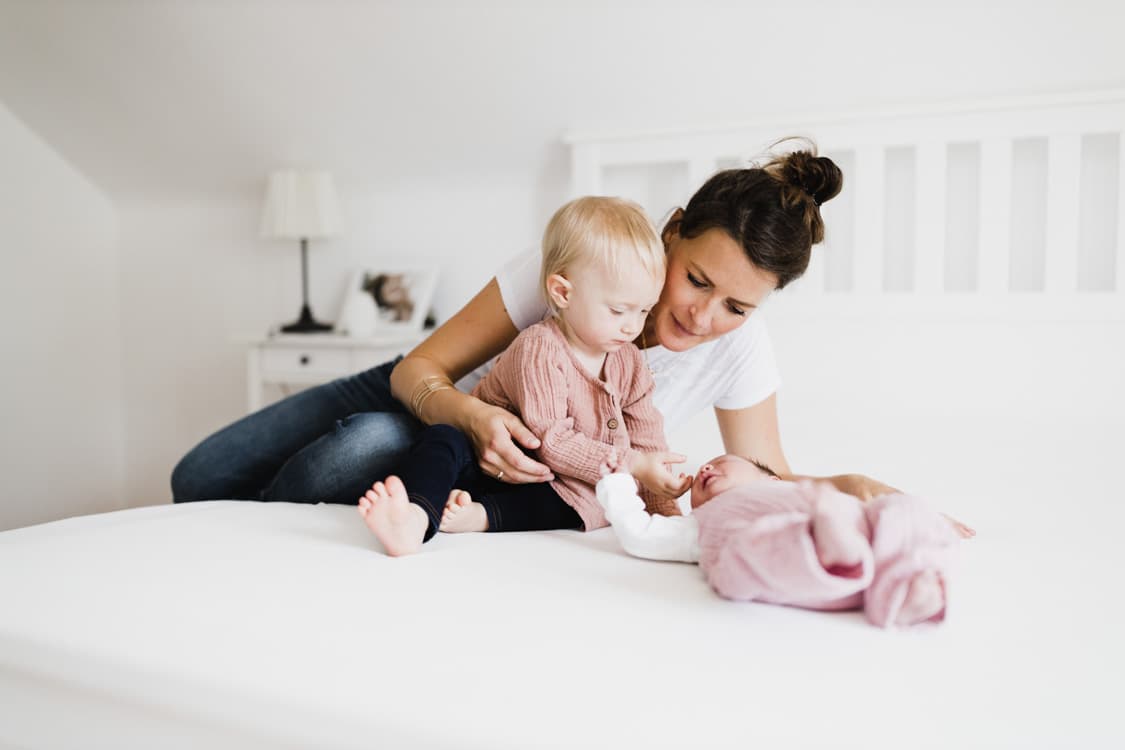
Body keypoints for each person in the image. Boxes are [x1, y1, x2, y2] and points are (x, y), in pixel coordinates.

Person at [171, 140, 894, 508]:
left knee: (371, 445)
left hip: (448, 445)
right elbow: (418, 371)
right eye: (697, 280)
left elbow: (762, 476)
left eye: (736, 307)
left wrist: (847, 486)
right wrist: (475, 420)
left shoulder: (742, 350)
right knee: (197, 476)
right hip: (429, 393)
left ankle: (249, 545)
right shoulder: (586, 262)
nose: (701, 317)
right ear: (671, 232)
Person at [356, 196, 689, 555]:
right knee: (441, 441)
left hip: (550, 483)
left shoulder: (630, 362)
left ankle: (480, 516)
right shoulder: (541, 347)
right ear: (562, 292)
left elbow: (648, 443)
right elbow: (552, 441)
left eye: (644, 310)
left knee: (585, 503)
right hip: (487, 464)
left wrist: (668, 522)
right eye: (618, 310)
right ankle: (414, 519)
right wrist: (632, 465)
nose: (632, 327)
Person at [595, 453, 963, 628]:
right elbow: (640, 535)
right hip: (795, 557)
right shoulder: (702, 525)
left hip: (855, 535)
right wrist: (618, 482)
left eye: (721, 462)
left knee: (901, 509)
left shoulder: (793, 491)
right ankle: (831, 546)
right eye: (705, 469)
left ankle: (914, 589)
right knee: (752, 557)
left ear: (771, 480)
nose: (705, 468)